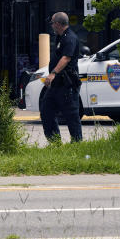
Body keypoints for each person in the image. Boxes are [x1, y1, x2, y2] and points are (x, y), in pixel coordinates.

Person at [41, 11, 83, 143]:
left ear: (58, 24)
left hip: (67, 84)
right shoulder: (60, 36)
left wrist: (53, 73)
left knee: (71, 115)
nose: (51, 25)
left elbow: (66, 58)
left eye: (52, 23)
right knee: (46, 111)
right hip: (56, 85)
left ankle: (77, 143)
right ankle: (55, 142)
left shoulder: (70, 38)